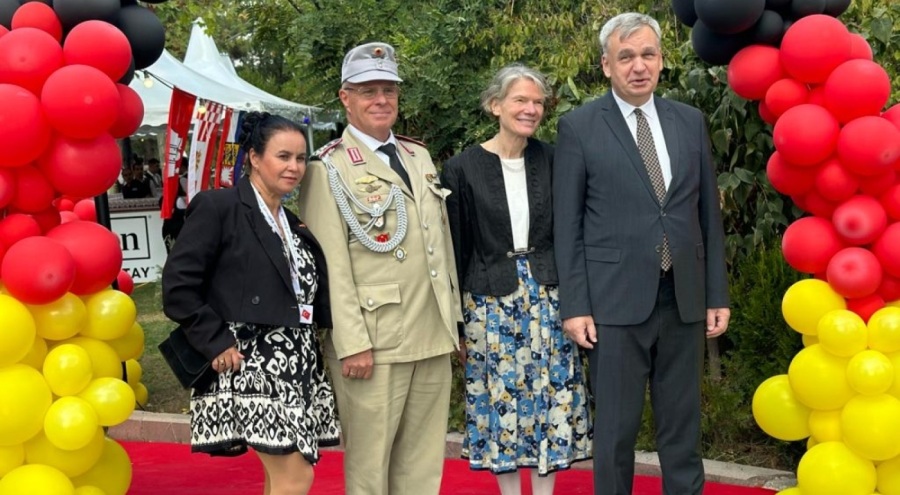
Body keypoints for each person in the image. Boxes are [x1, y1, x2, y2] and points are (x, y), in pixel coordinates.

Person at [552, 13, 730, 495]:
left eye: (648, 54)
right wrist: (575, 306)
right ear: (606, 65)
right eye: (626, 56)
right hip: (612, 305)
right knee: (615, 434)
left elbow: (707, 215)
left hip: (684, 298)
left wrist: (717, 293)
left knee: (683, 430)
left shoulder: (689, 122)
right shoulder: (578, 128)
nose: (638, 66)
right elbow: (567, 227)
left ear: (661, 60)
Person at [297, 42, 462, 495]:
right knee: (371, 470)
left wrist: (455, 324)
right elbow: (331, 265)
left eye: (388, 90)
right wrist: (352, 343)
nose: (381, 99)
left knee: (422, 466)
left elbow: (439, 246)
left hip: (430, 331)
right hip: (375, 341)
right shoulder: (327, 168)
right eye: (368, 91)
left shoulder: (417, 156)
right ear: (345, 98)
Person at [161, 111, 340, 495]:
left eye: (300, 158)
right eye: (283, 156)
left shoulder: (291, 222)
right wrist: (215, 341)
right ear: (255, 158)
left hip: (295, 364)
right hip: (246, 363)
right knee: (296, 476)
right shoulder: (219, 207)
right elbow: (178, 286)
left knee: (280, 476)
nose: (294, 167)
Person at [440, 64, 592, 495]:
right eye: (520, 100)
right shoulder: (461, 168)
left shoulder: (556, 160)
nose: (531, 109)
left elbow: (573, 233)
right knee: (500, 401)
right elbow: (455, 249)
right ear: (495, 105)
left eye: (538, 102)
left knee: (551, 400)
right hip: (488, 303)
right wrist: (457, 324)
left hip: (549, 297)